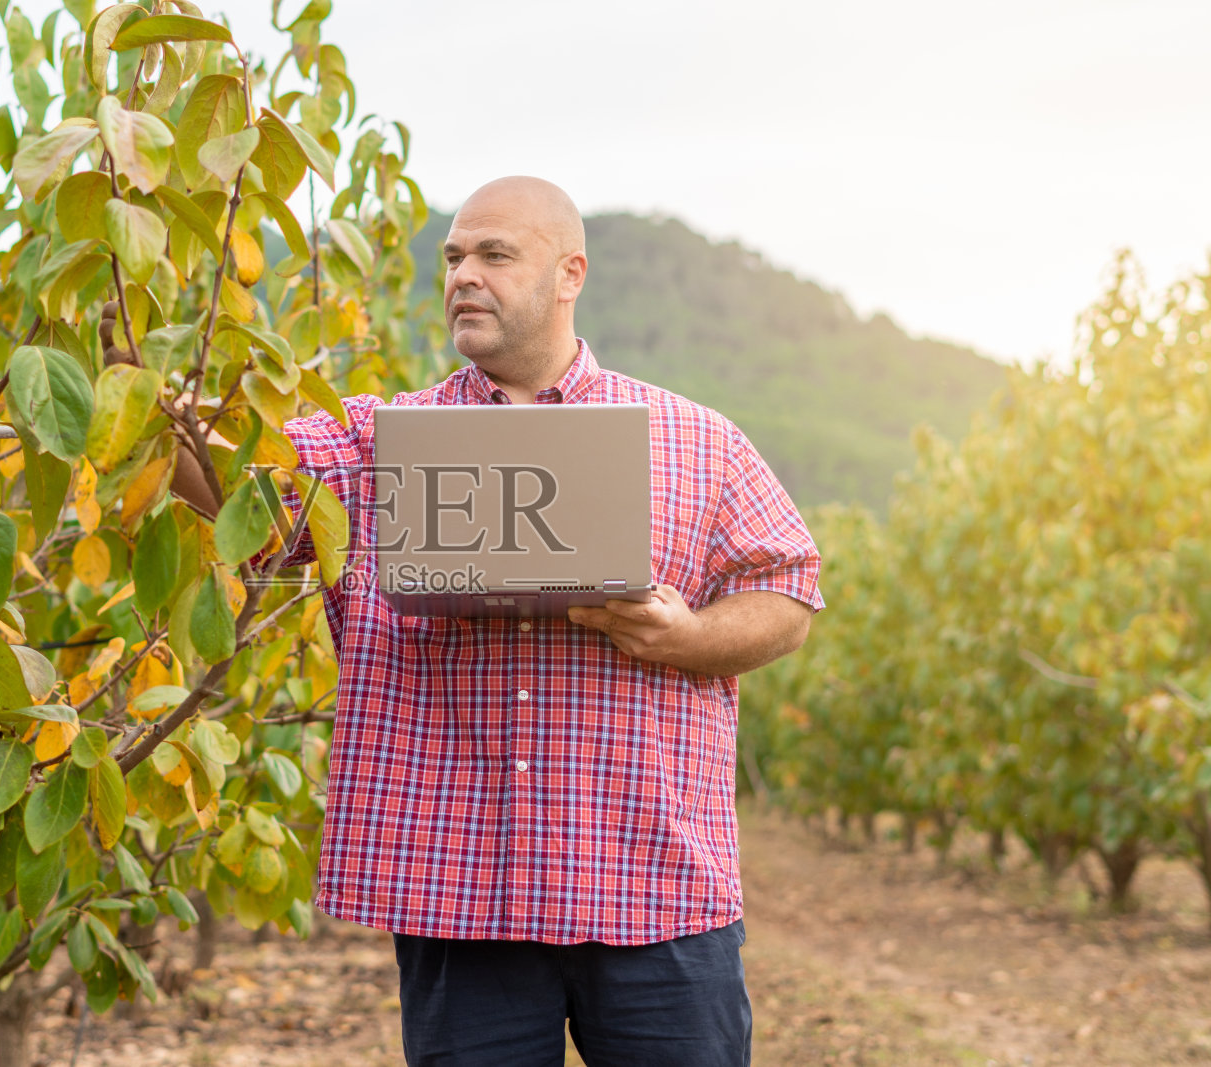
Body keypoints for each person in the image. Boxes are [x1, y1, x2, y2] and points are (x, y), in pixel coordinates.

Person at [150, 176, 824, 1066]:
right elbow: (249, 504)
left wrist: (687, 637)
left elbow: (786, 595)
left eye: (494, 255)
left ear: (569, 272)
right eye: (454, 257)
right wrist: (165, 426)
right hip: (463, 897)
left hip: (651, 888)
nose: (465, 273)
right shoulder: (378, 442)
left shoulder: (694, 439)